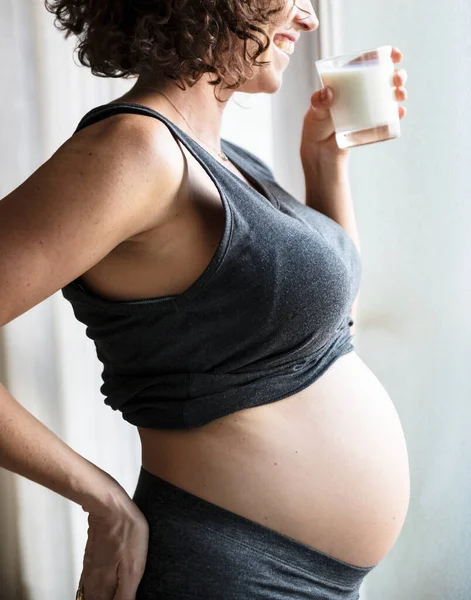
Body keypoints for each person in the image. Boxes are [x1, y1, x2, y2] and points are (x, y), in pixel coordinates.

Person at [0, 0, 410, 598]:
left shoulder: (230, 161)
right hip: (226, 571)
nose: (309, 18)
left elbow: (325, 330)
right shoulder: (134, 151)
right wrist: (100, 496)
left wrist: (325, 164)